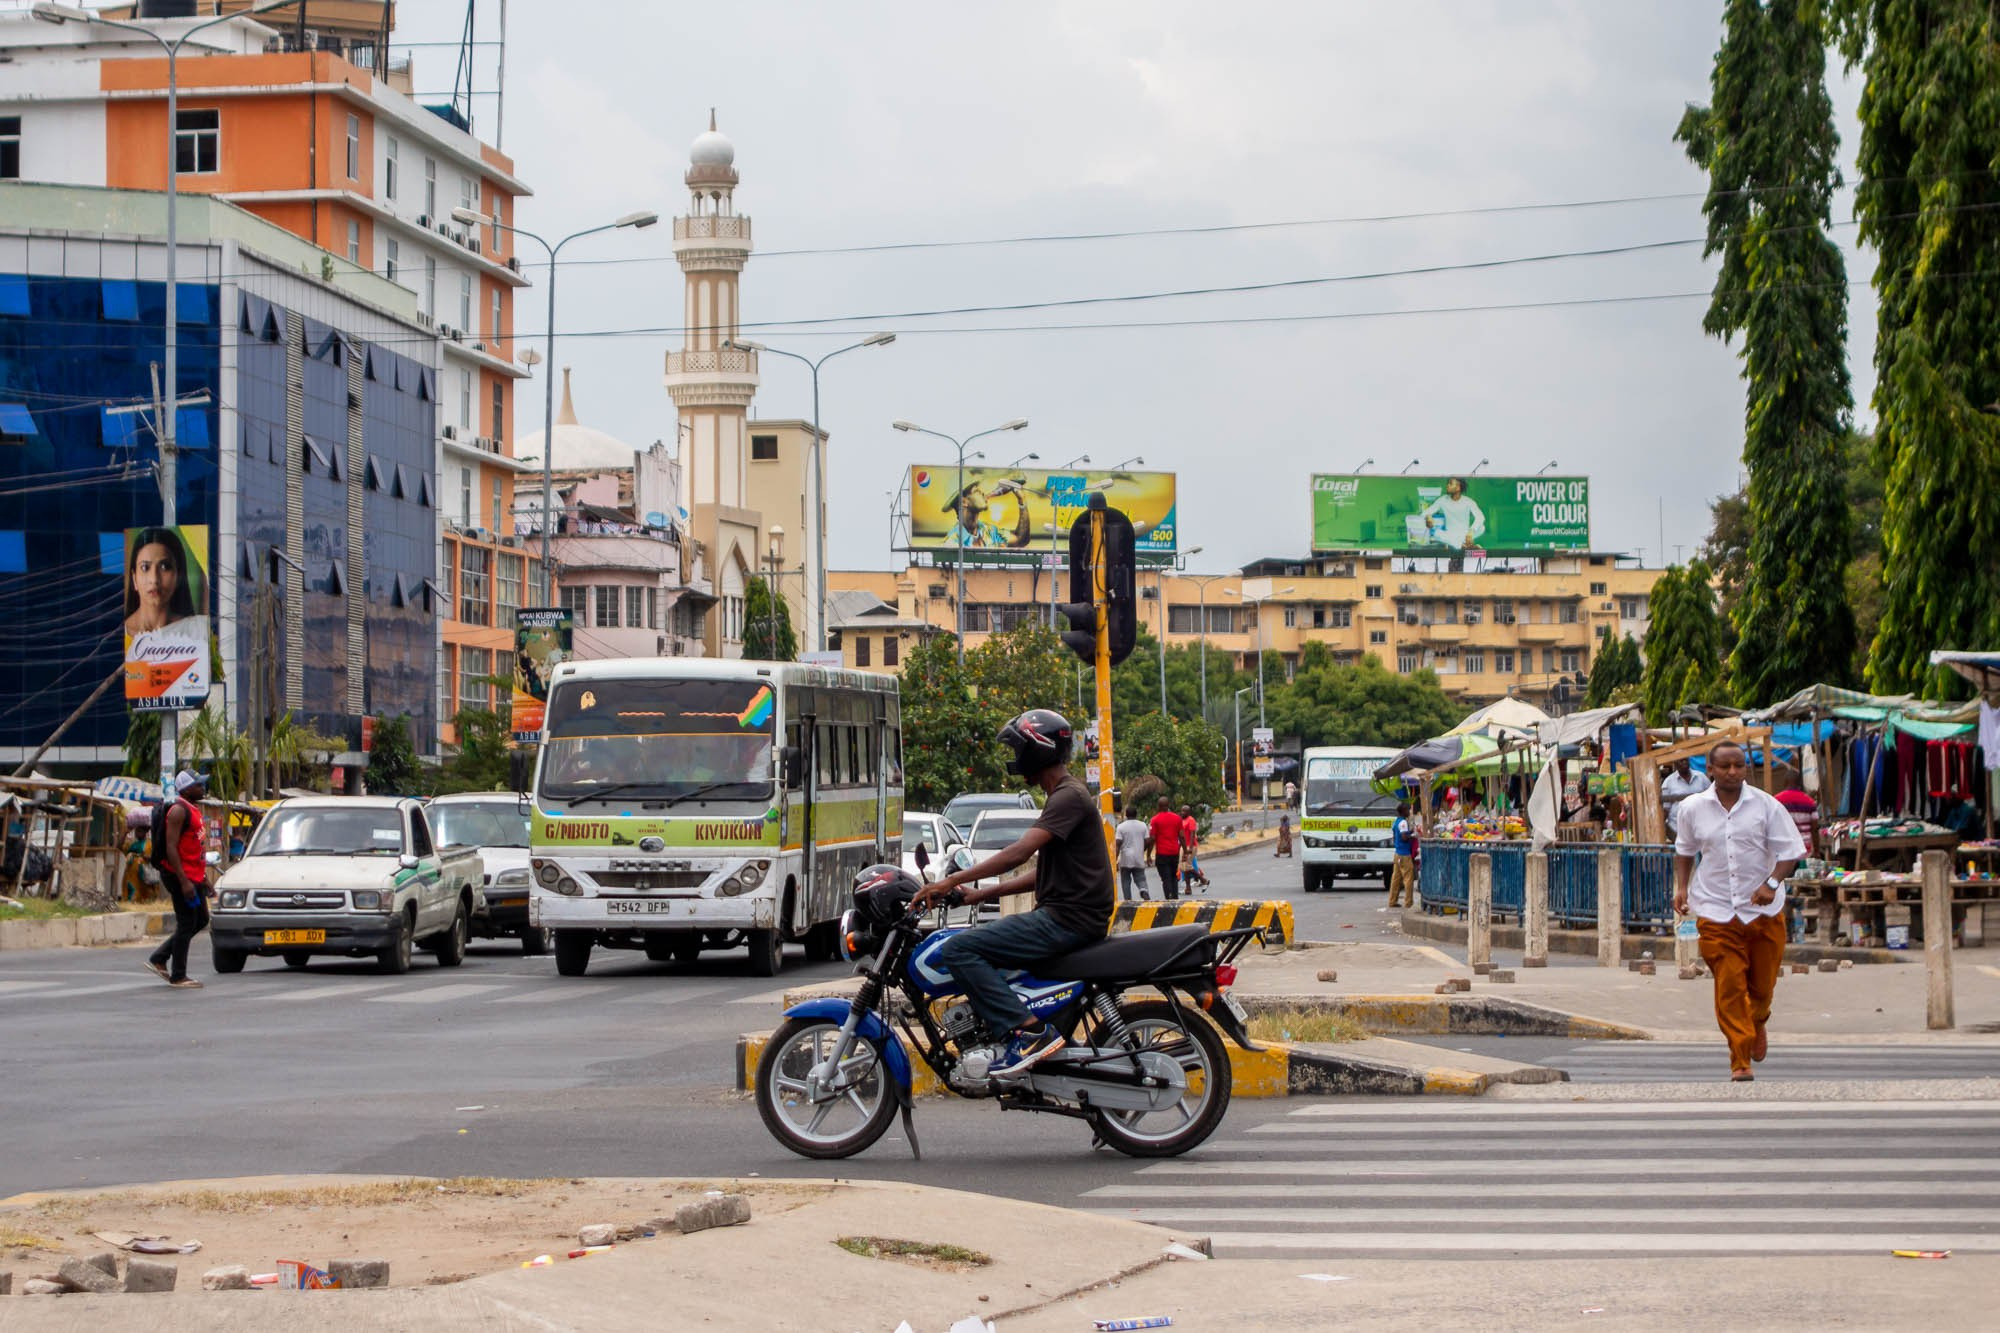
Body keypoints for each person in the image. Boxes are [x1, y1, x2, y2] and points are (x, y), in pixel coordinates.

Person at [912, 709, 1113, 1076]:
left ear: (1038, 750)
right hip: (1068, 916)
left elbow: (1017, 854)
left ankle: (1029, 1032)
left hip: (1067, 921)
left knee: (959, 949)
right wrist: (980, 894)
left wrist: (950, 881)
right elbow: (1045, 873)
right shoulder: (1065, 795)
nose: (1016, 757)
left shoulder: (1067, 797)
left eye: (1019, 748)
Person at [1672, 741, 1805, 1082]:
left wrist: (1771, 884)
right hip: (1716, 910)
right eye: (1725, 766)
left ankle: (1758, 1020)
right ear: (1711, 770)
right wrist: (1682, 888)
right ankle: (1740, 1057)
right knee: (1729, 984)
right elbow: (1685, 851)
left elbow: (1790, 852)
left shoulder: (1766, 806)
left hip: (1763, 911)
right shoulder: (1692, 808)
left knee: (1762, 988)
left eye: (1739, 766)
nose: (1733, 772)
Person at [145, 770, 212, 989]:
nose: (202, 788)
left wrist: (203, 880)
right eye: (198, 785)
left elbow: (194, 847)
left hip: (194, 875)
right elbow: (171, 847)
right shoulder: (178, 811)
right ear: (186, 789)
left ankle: (160, 956)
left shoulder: (193, 810)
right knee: (186, 923)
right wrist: (184, 881)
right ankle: (178, 975)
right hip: (179, 875)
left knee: (201, 919)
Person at [124, 527, 199, 636]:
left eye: (165, 567)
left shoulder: (196, 632)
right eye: (145, 567)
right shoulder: (117, 634)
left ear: (178, 576)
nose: (154, 579)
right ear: (134, 578)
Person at [1418, 476, 1486, 551]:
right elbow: (1424, 513)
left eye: (1450, 484)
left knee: (1482, 527)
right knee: (1436, 533)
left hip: (1465, 534)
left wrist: (1471, 531)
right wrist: (1428, 516)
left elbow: (1480, 517)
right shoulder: (1443, 500)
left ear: (1458, 487)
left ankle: (1459, 544)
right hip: (1449, 534)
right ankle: (1464, 546)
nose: (1447, 485)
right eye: (1448, 483)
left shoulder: (1468, 501)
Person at [1661, 757, 1713, 834]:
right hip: (1677, 829)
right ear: (1675, 763)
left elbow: (1711, 798)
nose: (1684, 762)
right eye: (1681, 760)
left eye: (1686, 760)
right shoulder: (1668, 782)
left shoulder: (1701, 778)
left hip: (1701, 826)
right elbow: (1666, 809)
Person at [1147, 796, 1184, 901]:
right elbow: (1181, 836)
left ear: (1159, 806)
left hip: (1162, 853)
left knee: (1165, 878)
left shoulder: (1155, 820)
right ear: (1168, 805)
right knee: (1173, 876)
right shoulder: (1177, 818)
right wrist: (1185, 851)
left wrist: (1148, 854)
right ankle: (1175, 897)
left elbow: (1153, 838)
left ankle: (1169, 898)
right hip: (1174, 852)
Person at [1114, 804, 1150, 902]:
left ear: (1126, 815)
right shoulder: (1143, 825)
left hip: (1125, 858)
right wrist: (1142, 850)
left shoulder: (1121, 827)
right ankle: (1143, 890)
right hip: (1138, 857)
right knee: (1140, 878)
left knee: (1125, 880)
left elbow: (1118, 844)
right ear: (1136, 814)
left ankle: (1128, 900)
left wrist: (1115, 859)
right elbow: (1147, 841)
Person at [1386, 801, 1418, 908]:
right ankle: (1408, 902)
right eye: (1408, 810)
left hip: (1397, 853)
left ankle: (1392, 900)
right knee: (1408, 879)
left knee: (1396, 879)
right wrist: (1412, 835)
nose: (1409, 812)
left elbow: (1396, 837)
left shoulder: (1396, 822)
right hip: (1404, 854)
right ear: (1403, 811)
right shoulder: (1403, 823)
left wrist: (1409, 832)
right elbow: (1404, 837)